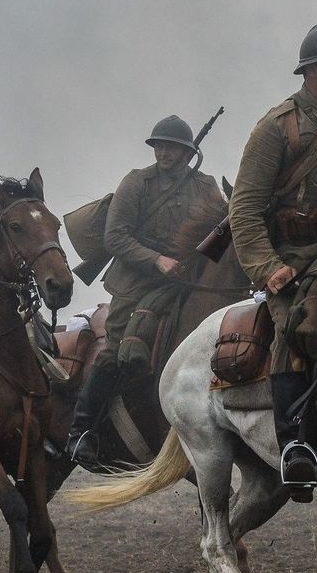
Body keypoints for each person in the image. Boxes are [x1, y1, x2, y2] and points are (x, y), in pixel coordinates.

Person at [228, 21, 317, 500]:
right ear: (314, 72)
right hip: (295, 256)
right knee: (299, 325)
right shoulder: (277, 128)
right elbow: (244, 209)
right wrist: (269, 269)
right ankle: (295, 446)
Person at [64, 116, 223, 466]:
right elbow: (115, 236)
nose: (164, 152)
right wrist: (156, 260)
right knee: (114, 347)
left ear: (187, 151)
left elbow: (219, 235)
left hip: (185, 281)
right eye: (159, 146)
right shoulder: (137, 182)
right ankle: (81, 431)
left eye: (172, 147)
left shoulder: (206, 185)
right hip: (135, 282)